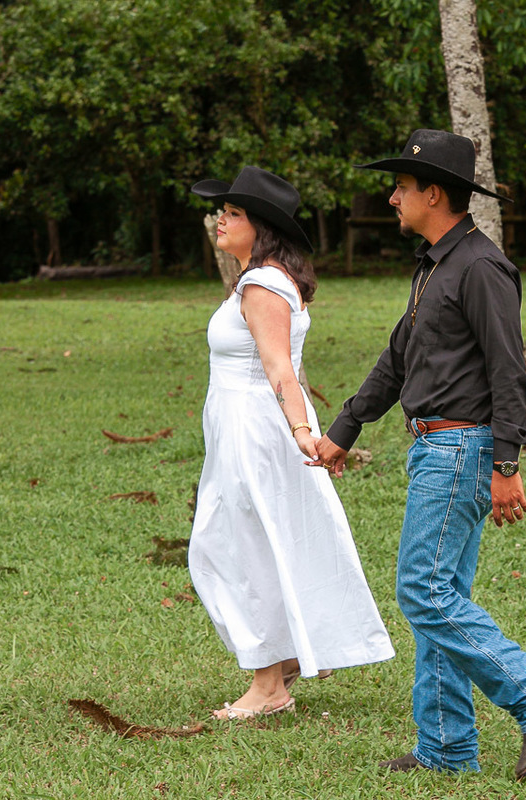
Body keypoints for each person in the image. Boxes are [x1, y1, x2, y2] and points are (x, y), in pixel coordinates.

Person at [311, 130, 526, 780]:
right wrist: (345, 428)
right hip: (436, 445)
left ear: (434, 194)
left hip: (463, 447)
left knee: (423, 590)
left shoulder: (482, 267)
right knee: (442, 592)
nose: (392, 197)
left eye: (401, 187)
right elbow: (398, 358)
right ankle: (446, 746)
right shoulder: (435, 265)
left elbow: (509, 372)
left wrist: (506, 465)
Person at [188, 166, 395, 721]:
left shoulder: (262, 285)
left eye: (233, 213)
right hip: (245, 426)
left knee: (238, 548)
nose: (221, 220)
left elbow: (281, 369)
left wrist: (304, 433)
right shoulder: (267, 279)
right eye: (223, 211)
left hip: (254, 429)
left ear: (261, 227)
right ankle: (286, 660)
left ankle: (268, 685)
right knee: (251, 541)